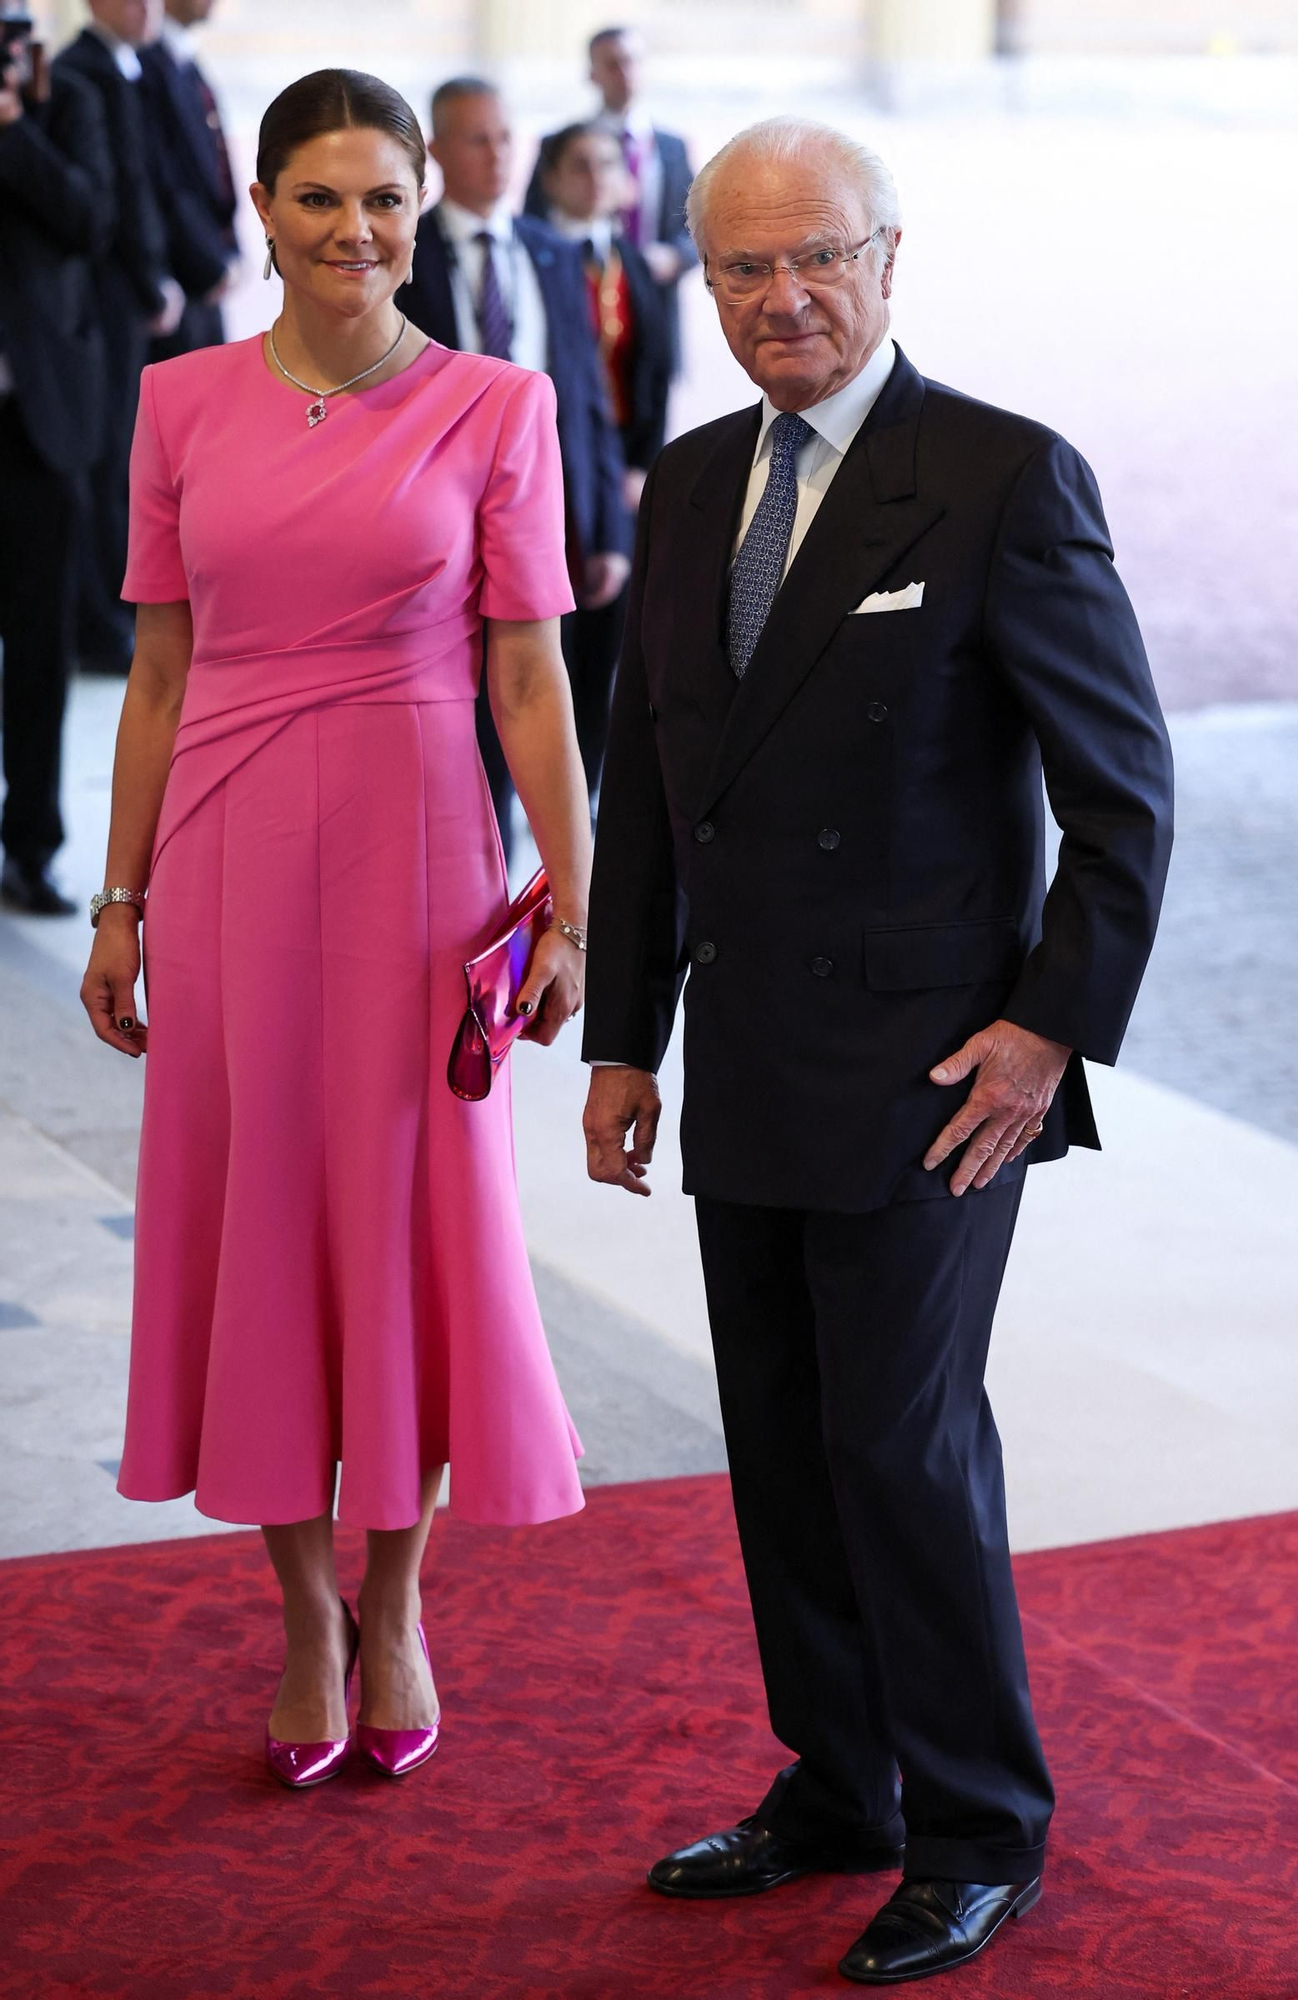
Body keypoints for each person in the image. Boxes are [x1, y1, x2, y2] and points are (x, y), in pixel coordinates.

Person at [582, 118, 1174, 1986]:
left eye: (816, 257)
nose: (785, 297)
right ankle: (838, 1785)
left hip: (933, 1081)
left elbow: (1121, 796)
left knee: (900, 1446)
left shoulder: (997, 477)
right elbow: (649, 805)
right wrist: (618, 1039)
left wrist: (1041, 1029)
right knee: (776, 1445)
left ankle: (980, 1821)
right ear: (706, 283)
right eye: (745, 268)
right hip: (747, 1048)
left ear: (889, 256)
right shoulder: (680, 492)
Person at [79, 67, 590, 1791]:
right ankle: (301, 1611)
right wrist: (120, 897)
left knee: (406, 1226)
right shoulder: (176, 405)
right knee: (257, 1221)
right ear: (261, 208)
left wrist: (574, 903)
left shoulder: (496, 405)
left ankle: (398, 1599)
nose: (356, 229)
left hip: (419, 848)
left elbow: (528, 672)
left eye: (386, 197)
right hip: (218, 859)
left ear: (421, 207)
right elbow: (157, 668)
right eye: (320, 198)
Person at [398, 76, 629, 861]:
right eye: (476, 139)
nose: (497, 155)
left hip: (548, 511)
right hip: (443, 519)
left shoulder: (552, 253)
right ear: (435, 150)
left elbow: (589, 400)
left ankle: (559, 838)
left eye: (505, 137)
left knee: (556, 680)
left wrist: (607, 531)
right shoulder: (407, 254)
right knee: (471, 705)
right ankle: (480, 850)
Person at [0, 4, 112, 914]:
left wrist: (11, 130)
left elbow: (89, 220)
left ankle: (31, 843)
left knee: (41, 651)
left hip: (39, 421)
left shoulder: (65, 102)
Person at [537, 118, 671, 802]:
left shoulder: (631, 260)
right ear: (553, 176)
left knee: (606, 631)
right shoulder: (533, 254)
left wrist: (643, 462)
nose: (596, 181)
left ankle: (584, 794)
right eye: (580, 166)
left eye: (607, 166)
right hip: (547, 466)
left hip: (618, 468)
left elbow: (654, 368)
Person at [54, 0, 183, 676]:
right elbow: (115, 196)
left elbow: (152, 181)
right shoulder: (80, 72)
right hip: (106, 298)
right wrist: (150, 277)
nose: (151, 10)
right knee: (105, 462)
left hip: (133, 291)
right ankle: (100, 619)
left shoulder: (134, 67)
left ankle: (113, 611)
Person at [525, 26, 695, 376]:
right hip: (577, 303)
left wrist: (675, 257)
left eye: (631, 62)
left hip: (652, 304)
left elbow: (698, 228)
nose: (625, 73)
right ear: (592, 74)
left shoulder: (671, 148)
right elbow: (533, 223)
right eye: (612, 64)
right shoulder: (560, 145)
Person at [140, 0, 239, 360]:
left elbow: (211, 168)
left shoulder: (184, 59)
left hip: (205, 273)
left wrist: (229, 249)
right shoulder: (146, 64)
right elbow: (162, 180)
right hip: (178, 280)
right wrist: (209, 263)